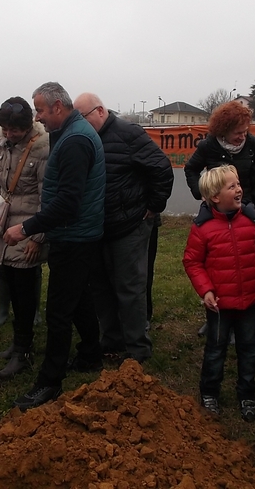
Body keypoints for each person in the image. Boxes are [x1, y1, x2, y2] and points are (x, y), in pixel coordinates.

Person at [3, 82, 105, 411]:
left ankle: (49, 381)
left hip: (74, 237)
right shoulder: (73, 133)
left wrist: (27, 228)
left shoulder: (75, 140)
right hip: (77, 235)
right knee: (79, 300)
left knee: (58, 313)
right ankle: (91, 354)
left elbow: (68, 202)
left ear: (57, 108)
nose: (38, 117)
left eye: (41, 111)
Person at [73, 93, 173, 363]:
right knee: (101, 286)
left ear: (101, 111)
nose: (79, 122)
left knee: (129, 287)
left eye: (82, 116)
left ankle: (137, 348)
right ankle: (112, 338)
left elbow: (161, 168)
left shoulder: (128, 133)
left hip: (130, 224)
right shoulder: (85, 138)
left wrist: (154, 206)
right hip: (100, 226)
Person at [182, 165, 255, 421]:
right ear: (215, 197)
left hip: (250, 301)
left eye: (238, 184)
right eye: (232, 186)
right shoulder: (202, 228)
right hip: (220, 304)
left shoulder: (253, 219)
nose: (239, 189)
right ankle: (209, 392)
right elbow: (192, 262)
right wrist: (206, 290)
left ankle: (247, 393)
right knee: (215, 349)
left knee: (249, 348)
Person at [0, 97, 49, 377]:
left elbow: (47, 196)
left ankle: (24, 350)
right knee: (9, 283)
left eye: (14, 130)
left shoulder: (43, 148)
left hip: (27, 227)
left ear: (28, 126)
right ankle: (19, 342)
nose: (9, 134)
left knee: (25, 291)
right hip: (3, 223)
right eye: (5, 128)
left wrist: (37, 235)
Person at [184, 101, 255, 207]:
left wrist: (253, 197)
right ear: (224, 131)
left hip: (247, 205)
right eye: (238, 133)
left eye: (245, 132)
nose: (242, 137)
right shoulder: (208, 145)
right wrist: (202, 193)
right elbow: (191, 169)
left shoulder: (253, 144)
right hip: (217, 206)